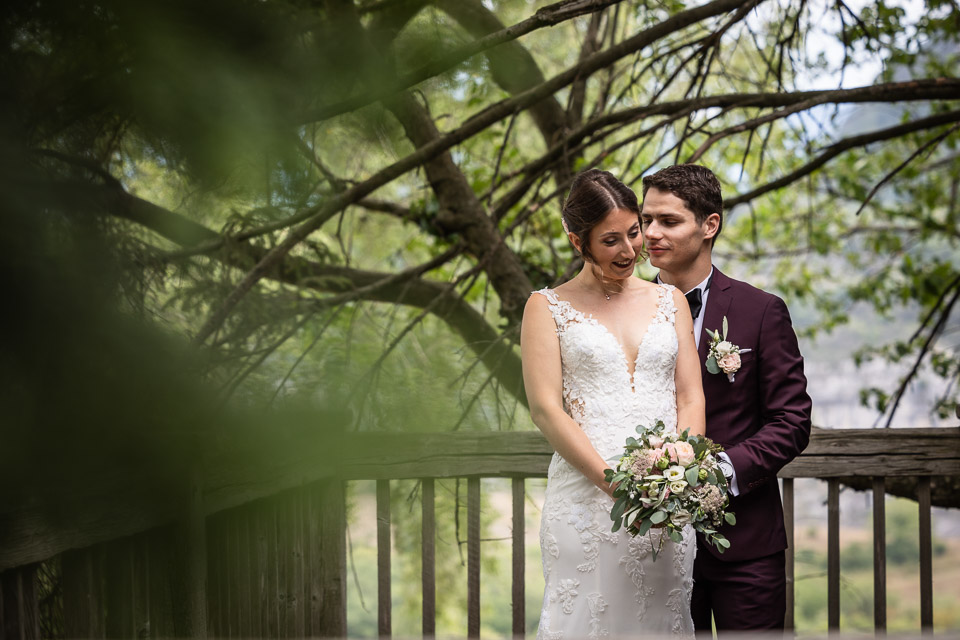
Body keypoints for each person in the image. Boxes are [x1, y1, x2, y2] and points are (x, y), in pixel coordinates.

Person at [521, 169, 705, 638]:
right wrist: (617, 487)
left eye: (633, 232)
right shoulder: (546, 307)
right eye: (610, 240)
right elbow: (546, 409)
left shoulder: (671, 301)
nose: (629, 250)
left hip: (665, 501)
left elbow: (689, 394)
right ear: (576, 241)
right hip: (584, 502)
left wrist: (682, 468)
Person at [640, 164, 812, 633]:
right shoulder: (624, 313)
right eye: (646, 219)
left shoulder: (761, 311)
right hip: (650, 546)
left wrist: (723, 470)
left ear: (709, 225)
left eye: (669, 221)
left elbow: (791, 421)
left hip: (746, 546)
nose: (651, 233)